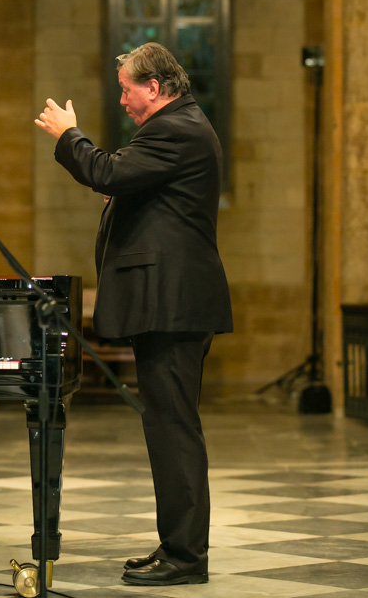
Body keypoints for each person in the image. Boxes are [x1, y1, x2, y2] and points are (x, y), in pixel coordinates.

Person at [35, 42, 232, 586]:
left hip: (173, 303)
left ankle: (186, 559)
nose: (121, 99)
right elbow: (131, 184)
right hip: (168, 302)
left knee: (174, 430)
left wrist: (68, 135)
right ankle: (177, 547)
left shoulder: (177, 127)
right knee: (167, 427)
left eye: (126, 88)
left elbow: (107, 171)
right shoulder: (179, 129)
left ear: (155, 87)